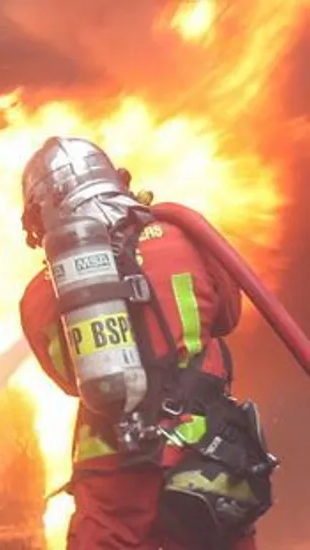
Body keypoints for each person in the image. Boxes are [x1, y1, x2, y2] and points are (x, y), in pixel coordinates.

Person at [18, 136, 273, 550]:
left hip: (112, 473)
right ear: (116, 180)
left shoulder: (40, 295)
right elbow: (227, 316)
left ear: (38, 216)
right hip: (205, 453)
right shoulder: (186, 237)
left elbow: (71, 380)